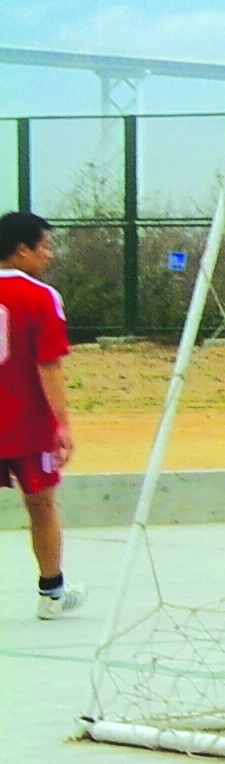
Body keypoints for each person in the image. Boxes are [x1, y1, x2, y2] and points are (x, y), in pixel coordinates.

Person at [2, 212, 72, 619]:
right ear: (21, 250)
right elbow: (49, 365)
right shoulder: (41, 296)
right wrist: (63, 424)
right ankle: (52, 593)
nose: (49, 254)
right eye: (45, 246)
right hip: (27, 424)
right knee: (41, 505)